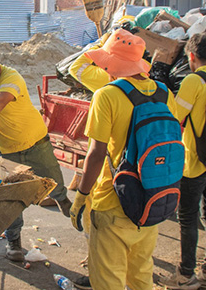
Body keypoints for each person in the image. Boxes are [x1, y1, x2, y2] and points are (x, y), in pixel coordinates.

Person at [70, 29, 176, 290]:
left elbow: (95, 155)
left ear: (110, 63)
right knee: (141, 275)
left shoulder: (106, 95)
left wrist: (82, 196)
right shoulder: (164, 93)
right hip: (152, 197)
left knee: (108, 280)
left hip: (113, 200)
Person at [0, 50, 71, 262]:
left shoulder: (12, 77)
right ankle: (14, 241)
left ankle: (63, 201)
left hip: (36, 143)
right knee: (10, 201)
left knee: (54, 182)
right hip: (6, 150)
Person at [161, 33, 206, 290]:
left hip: (194, 162)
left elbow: (175, 116)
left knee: (188, 218)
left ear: (191, 56)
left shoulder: (194, 80)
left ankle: (186, 275)